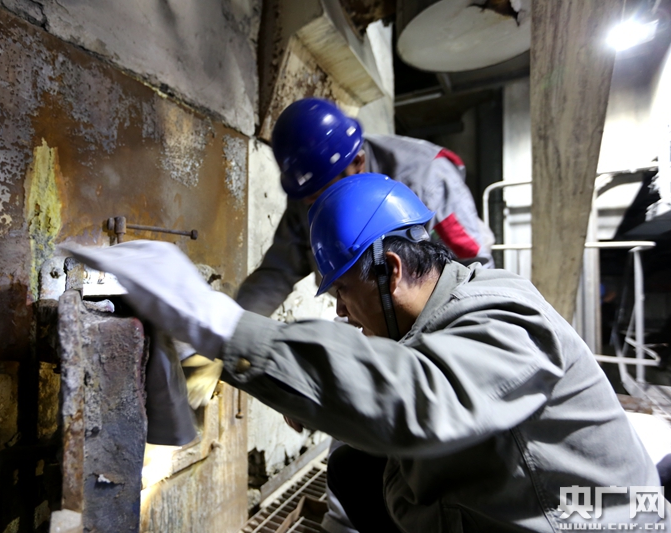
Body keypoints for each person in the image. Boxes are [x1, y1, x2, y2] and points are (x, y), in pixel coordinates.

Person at [67, 173, 667, 532]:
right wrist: (321, 391)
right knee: (356, 464)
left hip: (596, 522)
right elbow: (398, 377)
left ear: (391, 270)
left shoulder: (505, 315)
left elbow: (420, 398)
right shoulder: (445, 307)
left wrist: (215, 321)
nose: (342, 314)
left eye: (343, 294)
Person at [236, 97, 494, 317]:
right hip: (374, 313)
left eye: (322, 194)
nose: (312, 205)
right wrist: (234, 328)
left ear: (358, 163)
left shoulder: (427, 180)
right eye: (308, 197)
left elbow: (473, 271)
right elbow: (278, 271)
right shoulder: (312, 189)